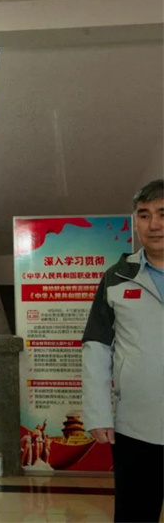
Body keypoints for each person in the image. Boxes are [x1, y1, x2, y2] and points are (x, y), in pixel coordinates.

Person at [82, 178, 164, 523]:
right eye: (144, 215)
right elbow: (96, 346)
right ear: (135, 221)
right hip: (136, 426)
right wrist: (98, 413)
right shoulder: (117, 277)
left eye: (162, 214)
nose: (154, 224)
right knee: (134, 513)